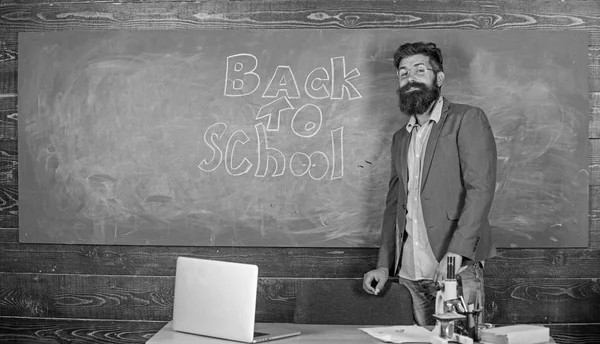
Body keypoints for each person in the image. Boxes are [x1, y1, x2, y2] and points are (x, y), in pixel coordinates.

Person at [362, 42, 498, 326]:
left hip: (454, 267)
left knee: (460, 340)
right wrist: (384, 265)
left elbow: (480, 190)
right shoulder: (401, 138)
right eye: (403, 73)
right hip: (410, 273)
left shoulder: (467, 119)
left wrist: (456, 253)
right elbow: (393, 207)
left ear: (439, 78)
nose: (410, 78)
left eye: (419, 70)